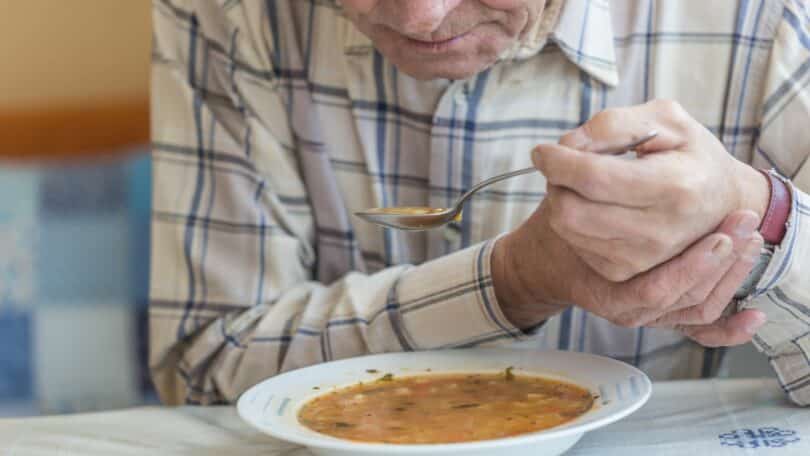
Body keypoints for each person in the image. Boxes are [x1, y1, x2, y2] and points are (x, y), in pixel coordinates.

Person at [149, 0, 810, 406]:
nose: (421, 16)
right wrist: (515, 280)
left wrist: (762, 210)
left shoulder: (762, 14)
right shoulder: (232, 13)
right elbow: (204, 369)